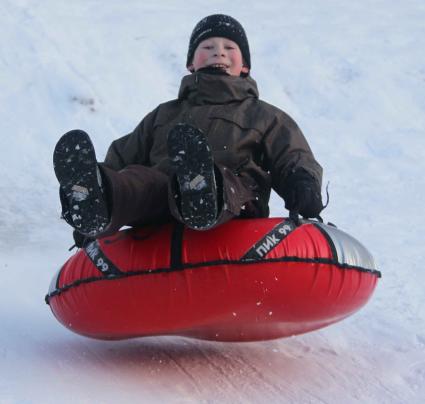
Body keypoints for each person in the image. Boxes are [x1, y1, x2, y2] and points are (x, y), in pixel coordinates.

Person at [53, 14, 324, 247]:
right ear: (191, 63)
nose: (219, 52)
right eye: (208, 46)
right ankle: (96, 201)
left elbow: (293, 155)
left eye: (229, 47)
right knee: (141, 181)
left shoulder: (263, 115)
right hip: (164, 196)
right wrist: (106, 184)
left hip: (235, 200)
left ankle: (202, 191)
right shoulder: (164, 114)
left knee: (226, 182)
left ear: (245, 66)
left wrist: (303, 185)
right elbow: (123, 158)